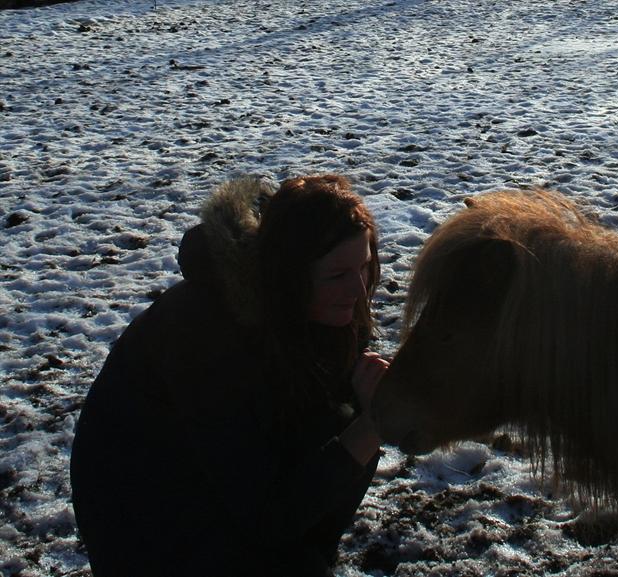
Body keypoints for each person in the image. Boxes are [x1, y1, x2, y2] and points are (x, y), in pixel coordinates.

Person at [70, 174, 389, 576]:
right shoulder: (204, 337)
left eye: (364, 266)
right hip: (148, 518)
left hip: (237, 491)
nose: (360, 290)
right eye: (338, 275)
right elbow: (265, 516)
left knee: (345, 419)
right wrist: (371, 426)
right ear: (289, 276)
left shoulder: (323, 309)